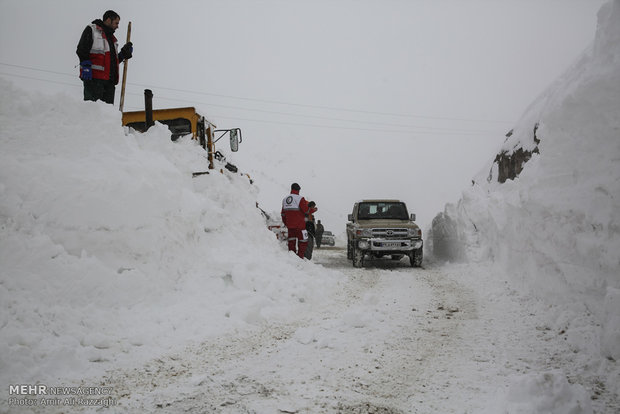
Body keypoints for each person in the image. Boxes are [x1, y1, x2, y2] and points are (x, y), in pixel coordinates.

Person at [76, 10, 133, 104]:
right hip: (94, 80)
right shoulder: (92, 30)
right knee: (93, 111)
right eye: (116, 23)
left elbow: (111, 61)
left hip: (109, 83)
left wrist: (123, 54)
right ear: (108, 20)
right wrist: (85, 66)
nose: (118, 26)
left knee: (106, 114)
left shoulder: (111, 39)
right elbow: (82, 49)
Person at [281, 183, 312, 258]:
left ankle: (292, 258)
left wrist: (287, 223)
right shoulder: (300, 198)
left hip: (290, 227)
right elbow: (306, 210)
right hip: (300, 226)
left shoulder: (285, 200)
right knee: (303, 241)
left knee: (291, 242)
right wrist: (312, 209)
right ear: (298, 190)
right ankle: (300, 258)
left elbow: (283, 214)